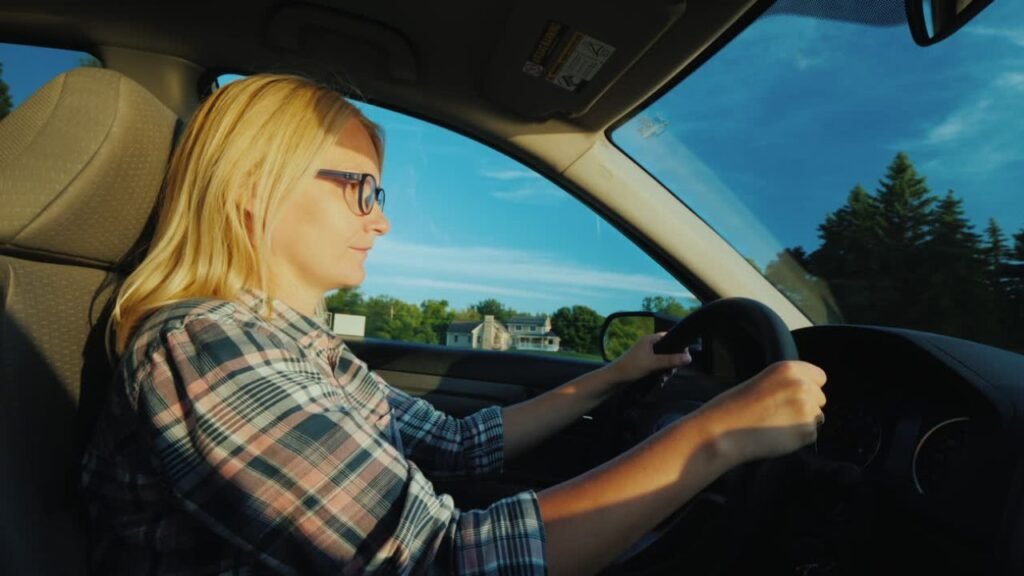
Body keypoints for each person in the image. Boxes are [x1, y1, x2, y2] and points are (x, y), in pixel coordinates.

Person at [81, 74, 827, 576]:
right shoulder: (208, 349)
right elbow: (438, 559)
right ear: (254, 189)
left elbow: (457, 444)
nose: (383, 220)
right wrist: (712, 437)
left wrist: (617, 375)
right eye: (362, 190)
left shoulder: (287, 342)